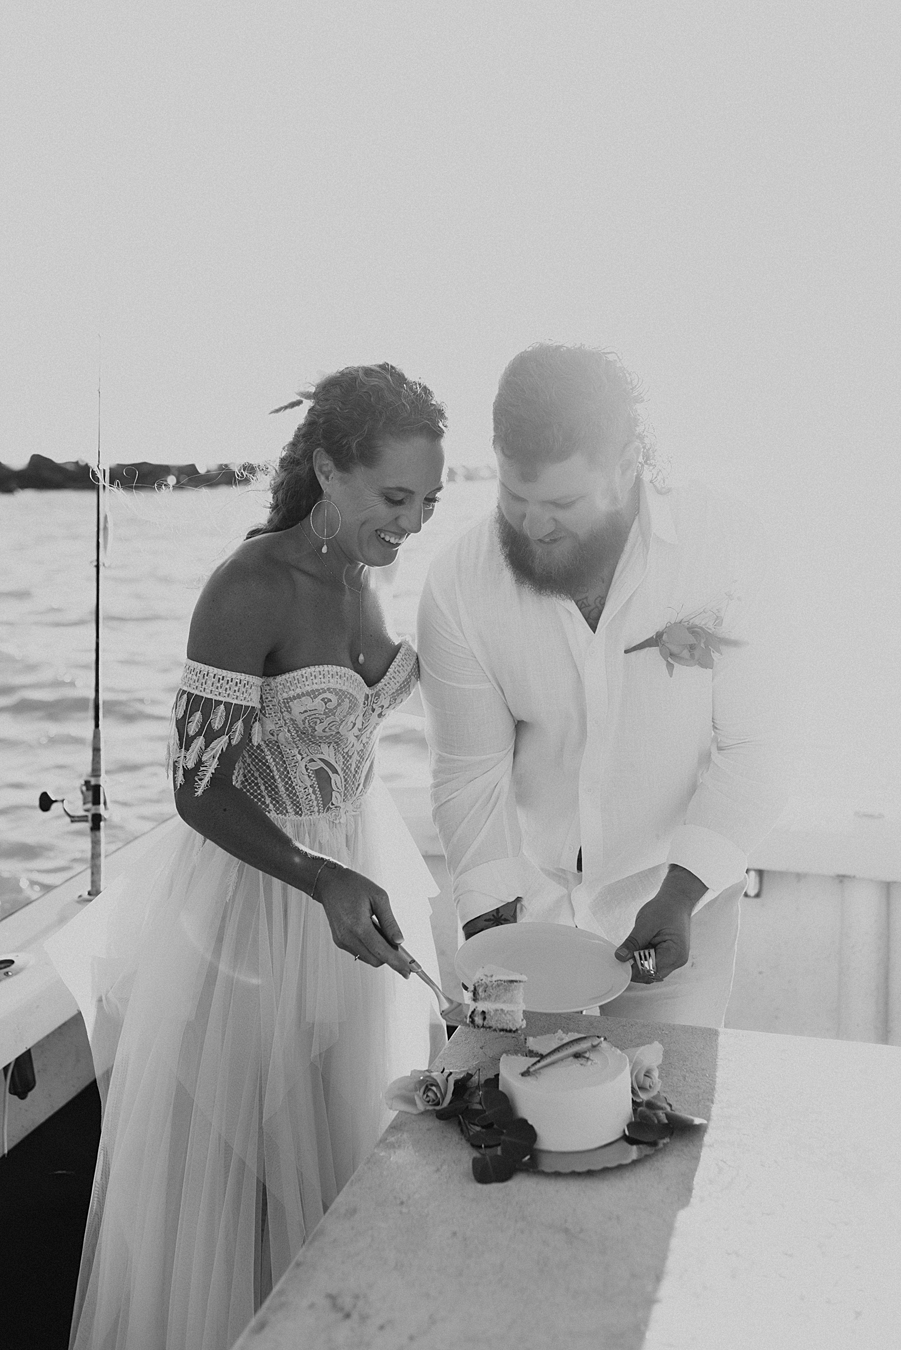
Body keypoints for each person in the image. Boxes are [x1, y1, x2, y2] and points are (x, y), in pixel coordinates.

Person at [46, 363, 448, 1350]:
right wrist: (319, 877)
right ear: (328, 468)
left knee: (339, 1177)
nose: (411, 523)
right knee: (255, 1190)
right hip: (259, 914)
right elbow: (195, 787)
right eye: (395, 498)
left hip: (350, 894)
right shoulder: (249, 584)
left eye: (430, 502)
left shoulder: (362, 575)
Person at [417, 343, 788, 1029]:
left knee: (663, 1115)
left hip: (682, 907)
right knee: (515, 1114)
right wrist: (494, 948)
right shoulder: (456, 582)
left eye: (560, 501)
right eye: (513, 496)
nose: (531, 525)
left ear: (625, 467)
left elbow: (759, 746)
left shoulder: (726, 543)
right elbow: (469, 777)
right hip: (527, 918)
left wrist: (679, 893)